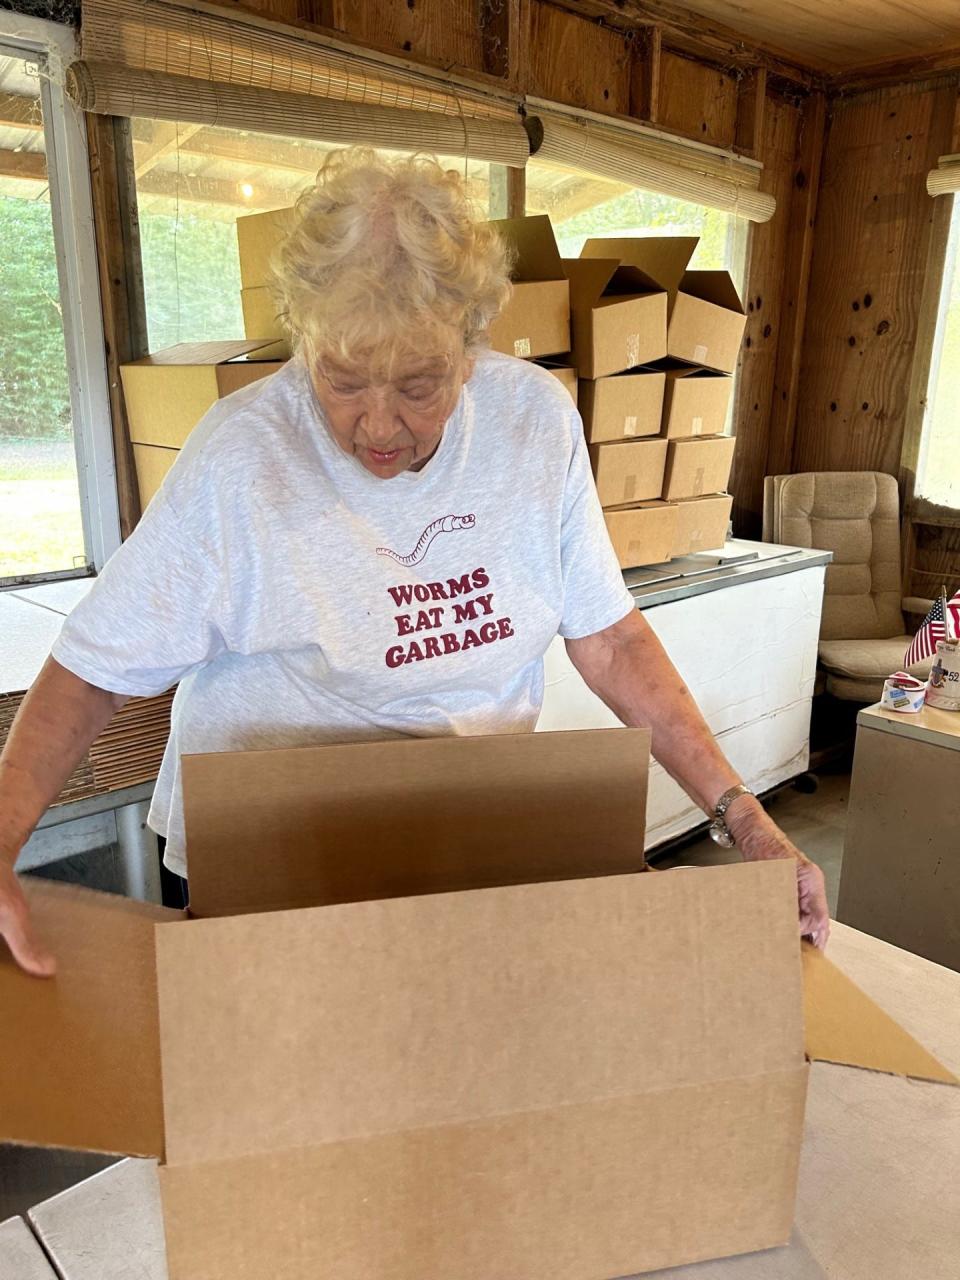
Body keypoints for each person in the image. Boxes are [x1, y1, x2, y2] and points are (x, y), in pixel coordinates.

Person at [0, 149, 828, 976]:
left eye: (419, 385)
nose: (379, 427)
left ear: (472, 346)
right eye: (344, 379)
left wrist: (741, 814)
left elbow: (607, 639)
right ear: (307, 338)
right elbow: (96, 669)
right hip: (271, 849)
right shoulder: (242, 457)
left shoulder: (533, 422)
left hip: (469, 829)